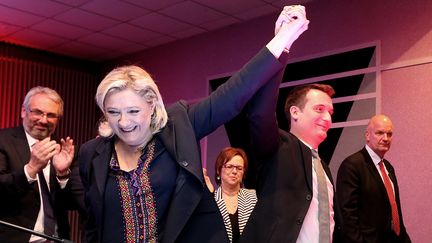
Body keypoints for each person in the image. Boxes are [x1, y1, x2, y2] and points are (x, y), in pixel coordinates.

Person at [77, 5, 309, 243]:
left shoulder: (180, 126)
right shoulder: (91, 154)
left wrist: (283, 39)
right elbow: (94, 225)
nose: (123, 122)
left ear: (152, 104)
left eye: (133, 111)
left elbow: (233, 94)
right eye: (113, 112)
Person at [0, 86, 84, 242]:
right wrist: (30, 170)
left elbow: (74, 204)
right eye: (38, 112)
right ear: (23, 112)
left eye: (51, 115)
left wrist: (63, 175)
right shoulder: (3, 140)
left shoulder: (64, 150)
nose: (44, 120)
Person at [336, 114, 411, 243]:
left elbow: (394, 209)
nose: (385, 138)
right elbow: (347, 215)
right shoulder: (352, 165)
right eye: (380, 133)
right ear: (367, 136)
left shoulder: (388, 167)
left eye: (389, 134)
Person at [204, 147, 257, 243]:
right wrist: (209, 196)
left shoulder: (253, 197)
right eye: (229, 166)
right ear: (218, 170)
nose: (234, 171)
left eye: (239, 168)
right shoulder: (212, 199)